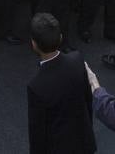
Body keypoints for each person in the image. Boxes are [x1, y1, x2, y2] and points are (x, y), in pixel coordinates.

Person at [25, 12, 96, 154]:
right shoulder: (77, 60)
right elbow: (88, 102)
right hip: (84, 141)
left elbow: (37, 131)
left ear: (34, 44)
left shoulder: (36, 85)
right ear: (61, 38)